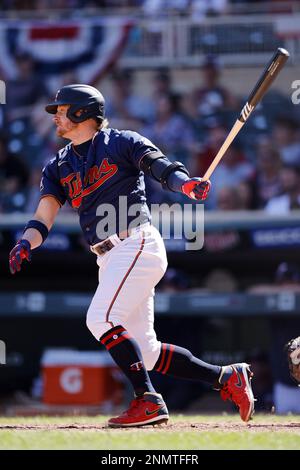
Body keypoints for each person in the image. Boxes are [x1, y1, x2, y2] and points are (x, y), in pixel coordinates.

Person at [9, 84, 254, 427]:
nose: (56, 117)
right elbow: (43, 216)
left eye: (62, 110)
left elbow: (162, 168)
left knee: (100, 319)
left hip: (136, 243)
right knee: (148, 353)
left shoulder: (121, 141)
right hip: (108, 257)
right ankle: (226, 376)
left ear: (82, 113)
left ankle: (147, 400)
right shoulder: (58, 165)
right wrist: (26, 242)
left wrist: (186, 184)